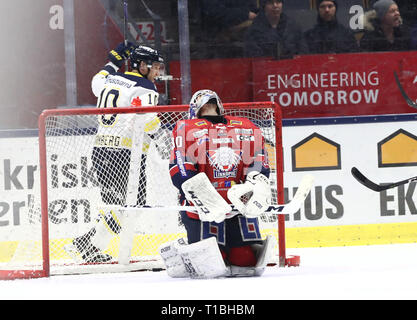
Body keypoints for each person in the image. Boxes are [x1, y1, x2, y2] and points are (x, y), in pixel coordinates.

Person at [64, 43, 165, 263]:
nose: (157, 72)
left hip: (101, 151)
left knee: (117, 206)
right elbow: (149, 123)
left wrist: (113, 62)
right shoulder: (145, 88)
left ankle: (89, 246)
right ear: (141, 66)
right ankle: (84, 244)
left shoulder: (109, 80)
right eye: (154, 67)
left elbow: (95, 81)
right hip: (125, 155)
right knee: (132, 205)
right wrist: (161, 135)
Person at [159, 89, 274, 278]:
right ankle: (181, 250)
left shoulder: (246, 127)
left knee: (246, 261)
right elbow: (180, 170)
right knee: (210, 263)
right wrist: (202, 195)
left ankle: (215, 248)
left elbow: (259, 164)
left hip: (238, 206)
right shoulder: (186, 128)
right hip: (203, 208)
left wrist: (256, 185)